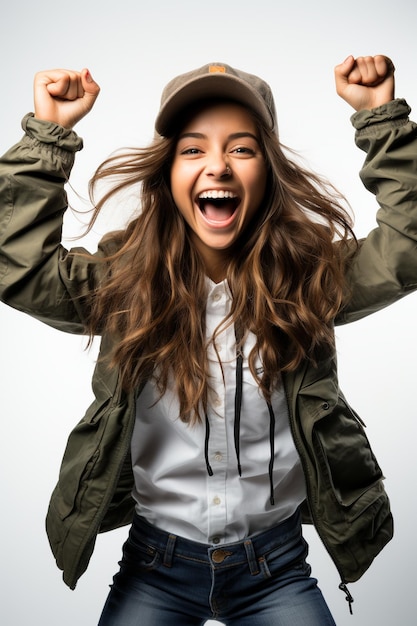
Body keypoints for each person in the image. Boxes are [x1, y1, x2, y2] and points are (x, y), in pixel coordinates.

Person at [0, 54, 416, 625]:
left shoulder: (312, 277)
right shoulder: (124, 282)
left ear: (268, 169)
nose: (217, 165)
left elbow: (408, 246)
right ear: (167, 172)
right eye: (193, 149)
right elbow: (18, 269)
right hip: (155, 565)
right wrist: (51, 136)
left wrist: (380, 119)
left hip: (277, 566)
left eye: (241, 148)